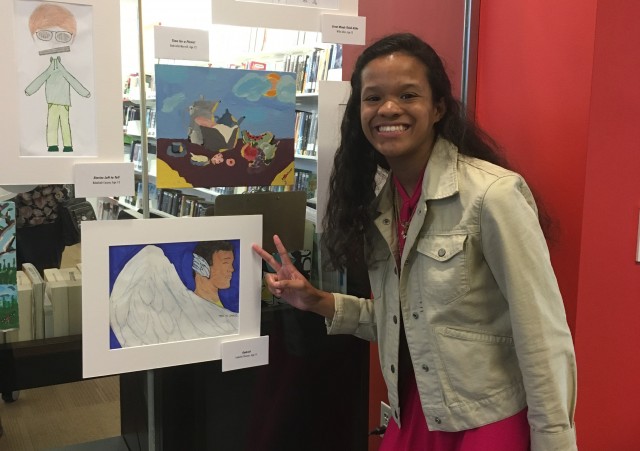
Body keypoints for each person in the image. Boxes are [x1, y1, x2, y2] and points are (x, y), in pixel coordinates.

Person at [253, 33, 577, 450]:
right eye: (373, 98)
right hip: (415, 413)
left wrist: (554, 442)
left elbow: (542, 336)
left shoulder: (492, 195)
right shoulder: (382, 206)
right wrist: (316, 300)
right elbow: (407, 321)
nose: (389, 108)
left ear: (438, 107)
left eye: (408, 94)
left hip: (484, 424)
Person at [110, 241, 238, 348]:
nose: (232, 269)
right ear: (202, 266)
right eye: (226, 263)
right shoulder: (182, 311)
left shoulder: (231, 317)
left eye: (231, 263)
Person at [25, 3, 91, 153]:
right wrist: (29, 90)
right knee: (52, 123)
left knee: (64, 124)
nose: (53, 42)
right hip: (52, 102)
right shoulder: (45, 68)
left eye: (62, 36)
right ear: (32, 36)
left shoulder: (63, 68)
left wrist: (85, 92)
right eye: (44, 34)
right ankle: (53, 145)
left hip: (63, 102)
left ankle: (67, 145)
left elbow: (72, 80)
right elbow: (40, 79)